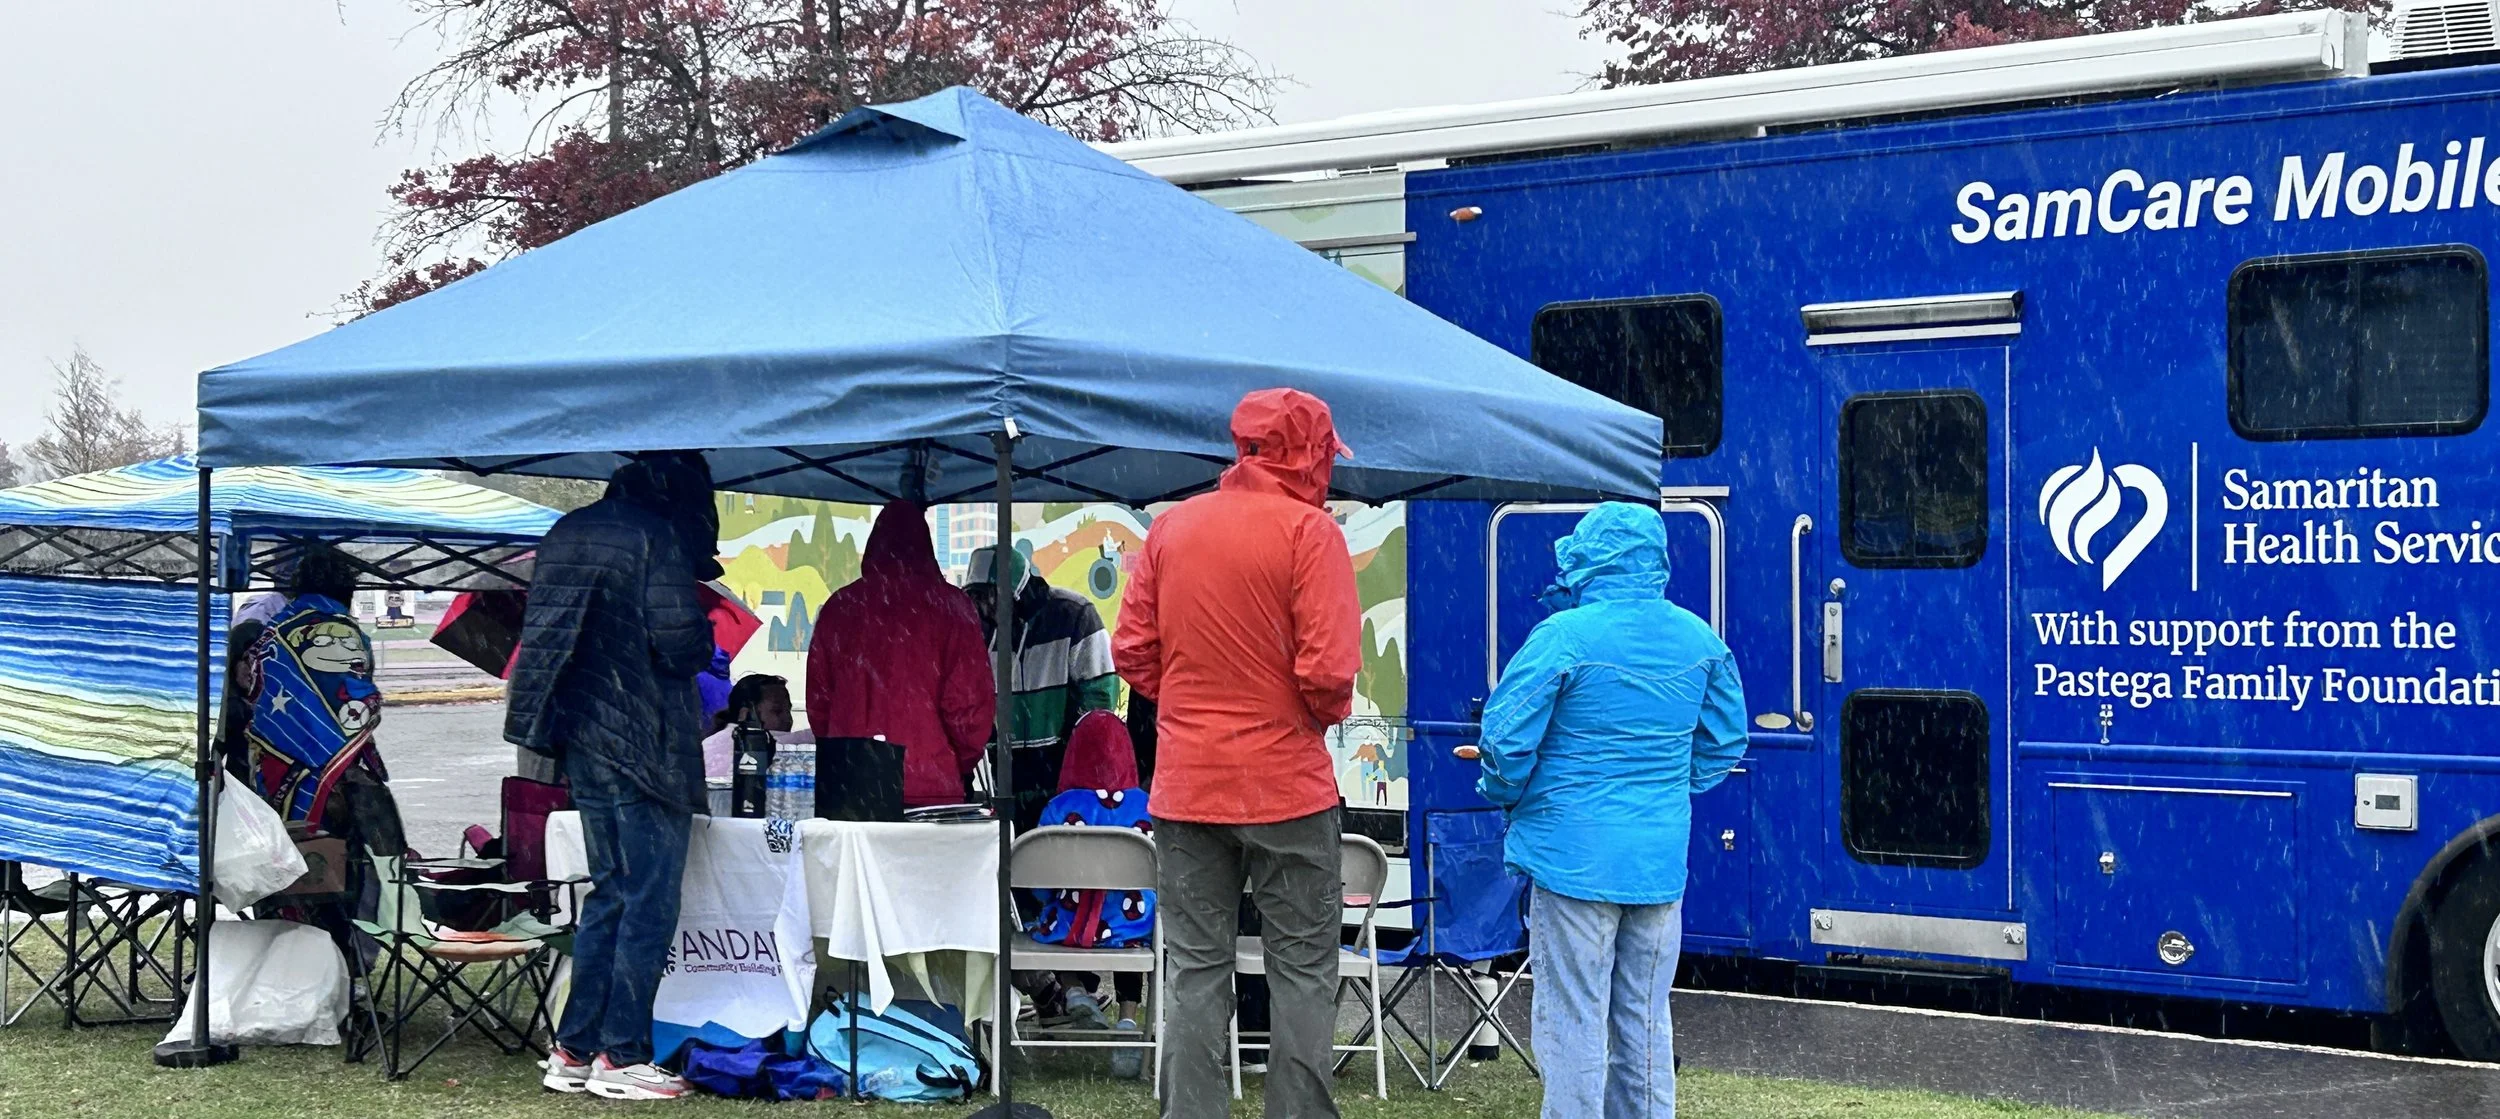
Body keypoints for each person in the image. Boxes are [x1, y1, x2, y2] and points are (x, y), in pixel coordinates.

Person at [1112, 387, 1361, 1119]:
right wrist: (1293, 714)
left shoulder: (1171, 529)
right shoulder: (1310, 535)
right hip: (1288, 786)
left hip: (1188, 788)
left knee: (1194, 971)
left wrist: (1193, 701)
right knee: (1302, 973)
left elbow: (1132, 649)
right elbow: (1328, 675)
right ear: (1310, 454)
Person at [1474, 502, 1747, 1119]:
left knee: (1574, 1020)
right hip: (1656, 863)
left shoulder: (1564, 636)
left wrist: (1511, 793)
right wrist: (1668, 788)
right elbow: (1726, 740)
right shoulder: (1699, 638)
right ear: (1656, 560)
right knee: (1646, 1021)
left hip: (1572, 860)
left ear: (1588, 559)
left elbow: (1505, 740)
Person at [505, 452, 720, 1102]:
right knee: (649, 899)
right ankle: (622, 1055)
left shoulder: (564, 533)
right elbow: (682, 644)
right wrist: (699, 622)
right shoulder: (657, 537)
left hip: (583, 742)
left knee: (608, 893)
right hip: (647, 743)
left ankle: (573, 1048)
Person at [229, 546, 406, 960]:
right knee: (354, 879)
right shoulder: (351, 633)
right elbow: (361, 705)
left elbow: (252, 700)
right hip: (348, 780)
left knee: (288, 877)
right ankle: (347, 970)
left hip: (278, 781)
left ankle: (290, 963)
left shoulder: (269, 633)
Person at [805, 501, 995, 812]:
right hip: (928, 786)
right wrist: (953, 762)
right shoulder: (953, 608)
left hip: (849, 783)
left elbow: (819, 704)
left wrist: (848, 750)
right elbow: (969, 708)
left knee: (853, 863)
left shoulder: (839, 607)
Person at [1022, 709, 1154, 1079]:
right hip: (1131, 928)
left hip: (1069, 926)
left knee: (1051, 918)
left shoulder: (1057, 808)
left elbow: (1038, 885)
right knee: (1135, 934)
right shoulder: (1145, 805)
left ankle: (1076, 990)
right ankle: (1128, 1021)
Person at [965, 544, 1121, 832]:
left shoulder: (1074, 614)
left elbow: (1101, 694)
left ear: (1017, 592)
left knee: (1059, 865)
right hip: (1005, 773)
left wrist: (1075, 750)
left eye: (988, 596)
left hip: (1064, 770)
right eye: (974, 597)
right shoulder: (977, 628)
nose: (982, 607)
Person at [701, 673, 795, 780]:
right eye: (777, 711)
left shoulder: (708, 743)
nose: (788, 719)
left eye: (788, 710)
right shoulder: (756, 743)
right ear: (745, 714)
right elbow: (803, 738)